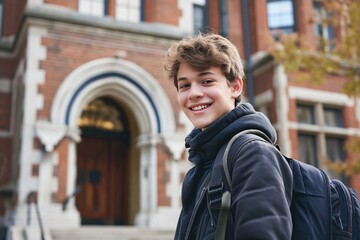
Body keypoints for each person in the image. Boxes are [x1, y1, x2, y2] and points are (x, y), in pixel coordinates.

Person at [163, 32, 293, 240]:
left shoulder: (252, 153)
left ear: (235, 87)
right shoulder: (204, 160)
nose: (194, 93)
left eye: (206, 81)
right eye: (184, 85)